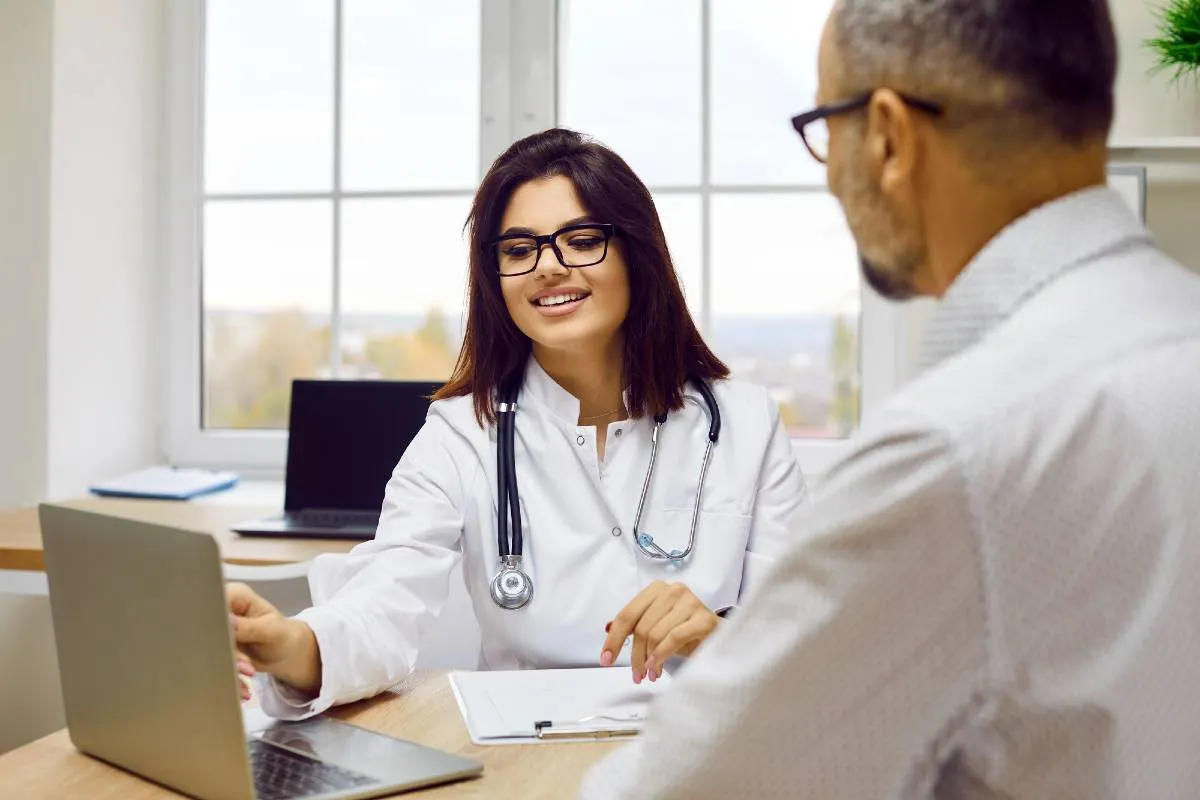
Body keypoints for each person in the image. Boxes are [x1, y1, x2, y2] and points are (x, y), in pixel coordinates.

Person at [580, 0, 1200, 797]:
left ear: (887, 136)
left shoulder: (958, 451)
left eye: (823, 128)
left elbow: (691, 787)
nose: (831, 170)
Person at [227, 128, 809, 718]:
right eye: (518, 249)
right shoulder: (462, 434)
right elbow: (385, 601)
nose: (548, 268)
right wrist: (289, 645)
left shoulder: (744, 422)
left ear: (639, 254)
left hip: (704, 749)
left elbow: (801, 634)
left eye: (582, 241)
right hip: (525, 754)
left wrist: (718, 633)